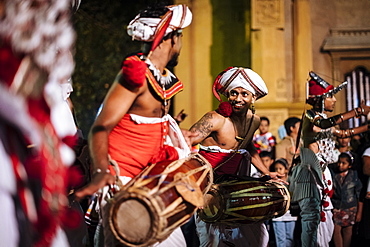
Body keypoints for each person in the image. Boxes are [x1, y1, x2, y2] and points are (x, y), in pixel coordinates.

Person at [75, 4, 194, 247]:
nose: (181, 43)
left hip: (150, 180)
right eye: (179, 36)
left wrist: (178, 136)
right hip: (124, 182)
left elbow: (149, 126)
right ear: (169, 38)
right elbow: (100, 127)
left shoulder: (160, 78)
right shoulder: (136, 75)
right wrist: (100, 172)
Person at [189, 67, 282, 247]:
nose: (238, 99)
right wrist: (193, 187)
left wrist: (267, 172)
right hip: (209, 191)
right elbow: (185, 143)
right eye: (234, 93)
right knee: (212, 243)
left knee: (258, 240)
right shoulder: (215, 119)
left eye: (244, 94)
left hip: (235, 189)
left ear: (253, 98)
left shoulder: (254, 121)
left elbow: (247, 146)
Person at [288, 71, 370, 247]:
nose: (334, 100)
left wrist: (366, 126)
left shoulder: (323, 118)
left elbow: (343, 133)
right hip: (311, 171)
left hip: (322, 171)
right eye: (331, 97)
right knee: (314, 216)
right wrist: (355, 112)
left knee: (325, 219)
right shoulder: (311, 116)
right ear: (320, 99)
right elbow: (325, 125)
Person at [330, 151, 362, 247]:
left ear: (349, 165)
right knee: (336, 230)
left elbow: (359, 195)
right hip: (337, 207)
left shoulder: (354, 176)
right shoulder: (334, 175)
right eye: (339, 162)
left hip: (350, 207)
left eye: (344, 163)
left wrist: (359, 213)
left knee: (348, 231)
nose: (340, 165)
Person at [271, 158, 297, 247]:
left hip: (291, 214)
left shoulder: (292, 181)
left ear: (286, 169)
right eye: (276, 169)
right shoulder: (273, 182)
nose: (278, 171)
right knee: (280, 238)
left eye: (280, 168)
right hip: (278, 215)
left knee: (290, 238)